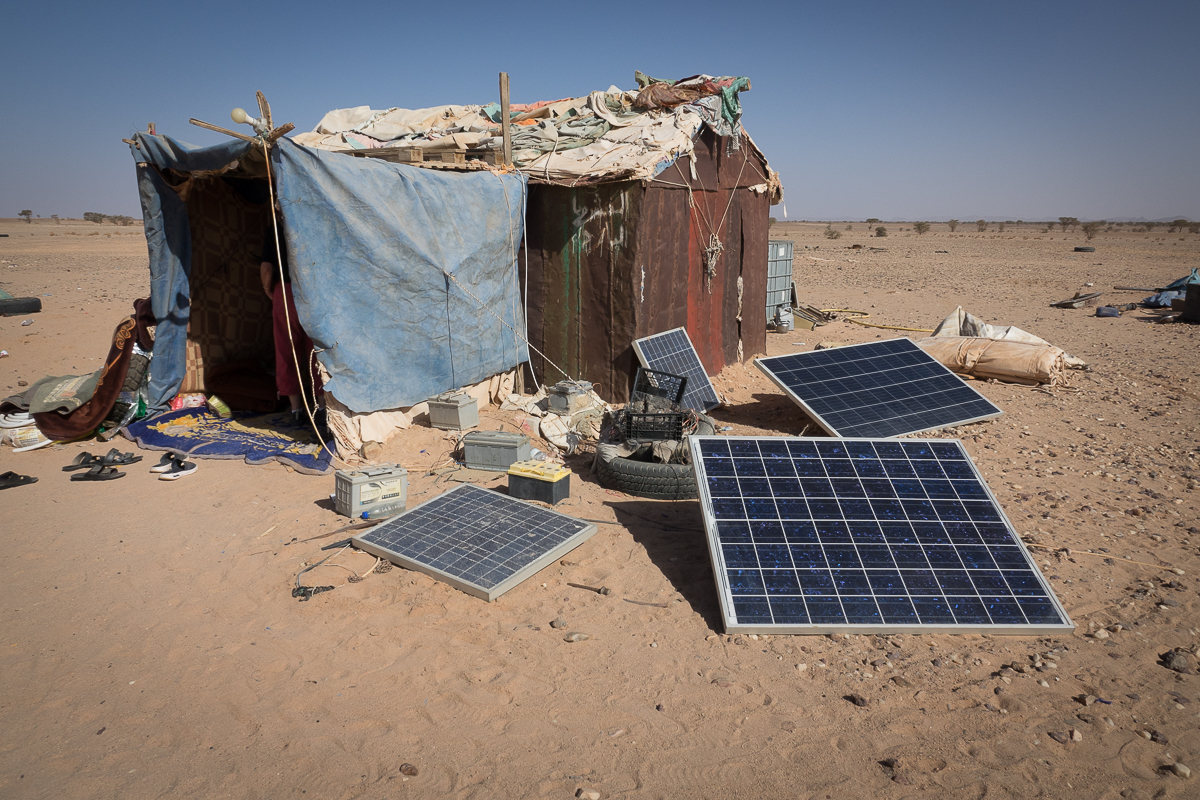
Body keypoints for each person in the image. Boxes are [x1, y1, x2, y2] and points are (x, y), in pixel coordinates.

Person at [260, 220, 322, 422]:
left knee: (286, 350)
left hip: (285, 291)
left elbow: (267, 268)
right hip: (312, 290)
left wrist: (269, 290)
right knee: (316, 348)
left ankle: (296, 409)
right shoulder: (313, 223)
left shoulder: (275, 229)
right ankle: (321, 405)